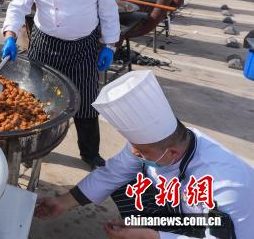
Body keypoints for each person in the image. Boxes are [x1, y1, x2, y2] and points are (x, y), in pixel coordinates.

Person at [35, 70, 253, 239]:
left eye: (141, 151)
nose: (134, 152)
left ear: (173, 152)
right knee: (128, 184)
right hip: (185, 214)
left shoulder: (224, 186)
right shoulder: (157, 143)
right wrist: (64, 201)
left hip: (226, 232)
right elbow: (114, 172)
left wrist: (152, 236)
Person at [1, 0, 120, 169]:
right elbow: (18, 6)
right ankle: (33, 150)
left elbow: (108, 11)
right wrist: (10, 35)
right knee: (38, 101)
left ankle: (90, 153)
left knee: (86, 105)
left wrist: (109, 45)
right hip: (45, 44)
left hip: (83, 47)